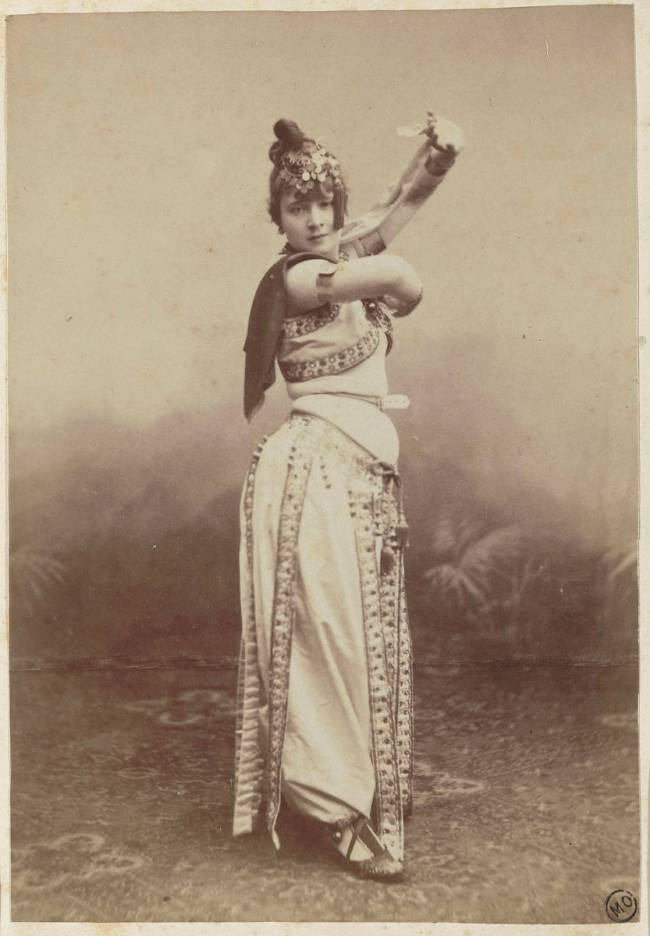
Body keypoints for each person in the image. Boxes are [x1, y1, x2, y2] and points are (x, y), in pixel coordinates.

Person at [232, 114, 464, 881]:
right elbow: (399, 278)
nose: (315, 218)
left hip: (360, 472)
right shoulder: (299, 280)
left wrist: (438, 156)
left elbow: (398, 208)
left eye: (325, 203)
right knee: (327, 638)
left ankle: (362, 787)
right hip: (315, 472)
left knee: (363, 636)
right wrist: (395, 270)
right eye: (297, 206)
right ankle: (335, 810)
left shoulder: (341, 251)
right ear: (278, 217)